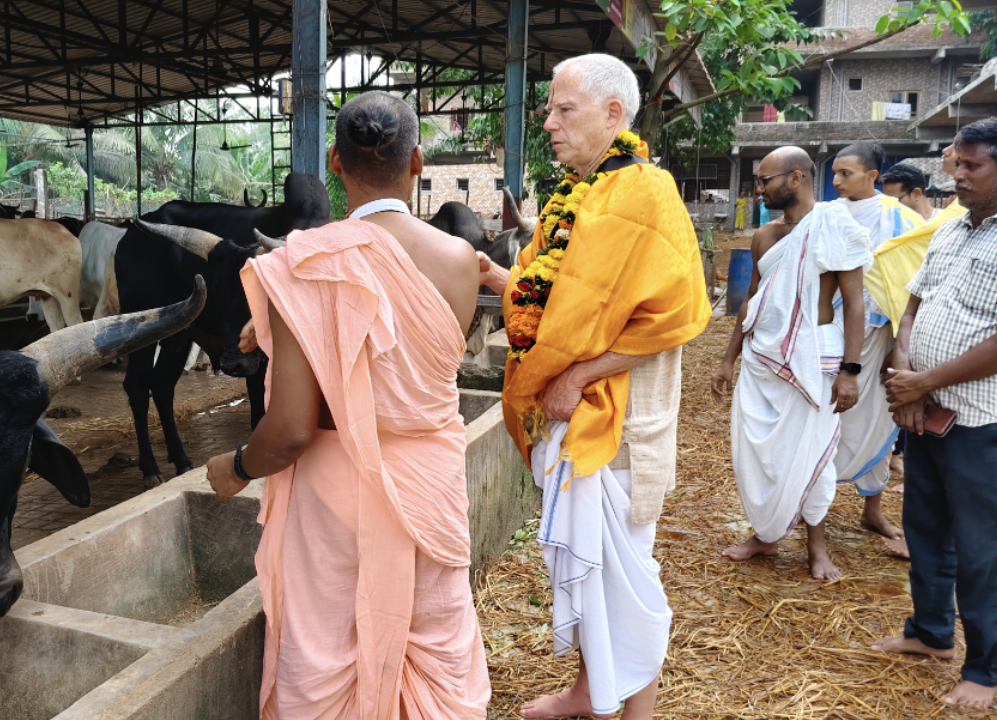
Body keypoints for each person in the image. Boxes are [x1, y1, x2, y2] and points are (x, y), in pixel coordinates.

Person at [204, 91, 491, 718]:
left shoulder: (303, 264)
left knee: (324, 655)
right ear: (417, 162)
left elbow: (288, 433)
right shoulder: (462, 261)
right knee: (432, 647)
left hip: (333, 499)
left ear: (334, 161)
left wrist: (233, 467)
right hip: (429, 488)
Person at [477, 54, 710, 720]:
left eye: (562, 110)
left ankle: (635, 712)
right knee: (583, 567)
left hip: (616, 420)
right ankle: (587, 691)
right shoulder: (580, 193)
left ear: (614, 113)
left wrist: (578, 374)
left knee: (624, 578)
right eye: (549, 109)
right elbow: (556, 294)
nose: (548, 122)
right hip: (570, 414)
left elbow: (676, 315)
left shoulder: (644, 191)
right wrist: (497, 280)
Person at [871, 117, 997, 710]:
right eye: (957, 161)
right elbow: (913, 303)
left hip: (980, 420)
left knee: (981, 547)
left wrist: (926, 379)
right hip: (925, 411)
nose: (958, 173)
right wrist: (907, 377)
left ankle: (987, 669)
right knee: (924, 528)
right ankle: (931, 633)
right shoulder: (951, 230)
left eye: (973, 165)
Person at [711, 146, 871, 581]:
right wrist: (729, 359)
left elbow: (854, 305)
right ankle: (765, 534)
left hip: (813, 356)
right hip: (763, 359)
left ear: (796, 179)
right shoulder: (765, 236)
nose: (759, 188)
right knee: (758, 453)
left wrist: (850, 371)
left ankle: (816, 546)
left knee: (810, 453)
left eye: (766, 180)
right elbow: (751, 303)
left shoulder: (835, 226)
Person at [863, 146, 967, 517]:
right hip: (898, 346)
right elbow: (908, 301)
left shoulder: (946, 225)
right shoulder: (941, 231)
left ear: (917, 194)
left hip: (960, 374)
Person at [829, 142, 923, 538]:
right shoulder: (825, 215)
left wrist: (900, 344)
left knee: (878, 418)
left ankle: (873, 509)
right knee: (824, 418)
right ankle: (809, 504)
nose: (836, 181)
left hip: (881, 334)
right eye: (834, 173)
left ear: (872, 177)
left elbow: (912, 279)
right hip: (830, 333)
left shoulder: (902, 220)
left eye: (845, 174)